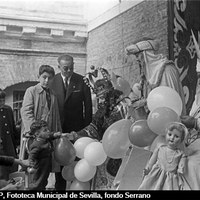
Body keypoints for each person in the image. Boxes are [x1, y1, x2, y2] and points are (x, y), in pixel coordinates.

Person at [67, 67, 126, 190]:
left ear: (111, 93)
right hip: (101, 155)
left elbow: (126, 129)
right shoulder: (101, 112)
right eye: (99, 98)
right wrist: (75, 135)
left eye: (104, 96)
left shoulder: (122, 107)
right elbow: (93, 128)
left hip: (120, 154)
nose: (102, 100)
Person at [50, 54, 93, 190]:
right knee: (60, 162)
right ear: (59, 67)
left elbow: (88, 106)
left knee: (77, 161)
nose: (69, 71)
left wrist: (86, 130)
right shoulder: (52, 81)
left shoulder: (81, 80)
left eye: (71, 68)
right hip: (59, 129)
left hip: (77, 130)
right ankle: (60, 190)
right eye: (65, 68)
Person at [20, 65, 62, 190]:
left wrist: (57, 135)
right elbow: (26, 113)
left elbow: (56, 118)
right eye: (44, 77)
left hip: (48, 141)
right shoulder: (31, 91)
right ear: (38, 77)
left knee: (45, 171)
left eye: (50, 78)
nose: (46, 81)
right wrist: (38, 134)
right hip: (34, 140)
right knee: (33, 171)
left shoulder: (53, 95)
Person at [125, 38, 186, 115]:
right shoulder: (147, 74)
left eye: (137, 56)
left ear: (146, 54)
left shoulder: (167, 69)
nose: (137, 60)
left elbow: (169, 98)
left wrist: (145, 102)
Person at [138, 122, 190, 190]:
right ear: (166, 135)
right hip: (155, 175)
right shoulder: (160, 147)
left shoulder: (180, 154)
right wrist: (148, 169)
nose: (172, 138)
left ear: (181, 140)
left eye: (176, 136)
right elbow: (152, 160)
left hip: (170, 179)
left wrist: (180, 170)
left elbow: (181, 165)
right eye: (170, 134)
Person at [27, 120, 65, 190]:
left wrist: (56, 135)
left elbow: (50, 135)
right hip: (39, 168)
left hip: (46, 167)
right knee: (37, 183)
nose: (48, 131)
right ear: (37, 134)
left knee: (44, 181)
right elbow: (31, 156)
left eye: (48, 129)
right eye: (45, 130)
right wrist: (31, 166)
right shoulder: (37, 144)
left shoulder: (45, 138)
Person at [0, 89, 19, 181]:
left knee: (13, 172)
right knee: (2, 174)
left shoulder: (8, 109)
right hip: (1, 149)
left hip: (9, 146)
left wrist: (17, 142)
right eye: (0, 100)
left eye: (3, 100)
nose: (2, 102)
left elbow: (13, 128)